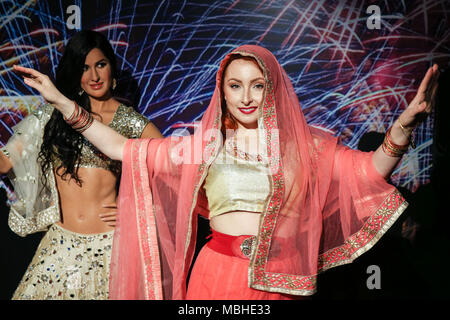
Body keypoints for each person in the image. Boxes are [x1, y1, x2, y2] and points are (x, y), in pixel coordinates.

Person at [14, 45, 439, 300]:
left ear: (272, 88)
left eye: (257, 84)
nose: (246, 96)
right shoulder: (206, 145)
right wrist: (61, 102)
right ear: (222, 90)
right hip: (215, 277)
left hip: (281, 282)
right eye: (235, 85)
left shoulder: (305, 146)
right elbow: (124, 149)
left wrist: (403, 126)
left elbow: (370, 170)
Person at [1, 30, 162, 300]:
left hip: (112, 250)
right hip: (59, 250)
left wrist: (140, 211)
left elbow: (174, 174)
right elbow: (5, 164)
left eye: (101, 65)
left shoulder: (133, 123)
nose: (94, 76)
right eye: (84, 68)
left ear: (112, 67)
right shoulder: (53, 114)